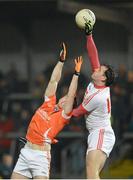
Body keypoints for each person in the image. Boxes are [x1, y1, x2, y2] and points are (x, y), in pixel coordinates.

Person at [11, 43, 83, 179]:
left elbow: (72, 91)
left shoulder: (64, 115)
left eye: (69, 99)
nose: (65, 98)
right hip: (26, 152)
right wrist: (61, 61)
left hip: (40, 156)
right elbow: (53, 81)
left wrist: (76, 74)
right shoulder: (48, 103)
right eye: (65, 96)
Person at [72, 22, 116, 179]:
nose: (96, 68)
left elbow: (76, 112)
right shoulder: (98, 82)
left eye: (99, 70)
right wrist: (89, 34)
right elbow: (93, 54)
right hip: (97, 133)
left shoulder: (99, 97)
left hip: (101, 133)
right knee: (92, 174)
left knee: (91, 173)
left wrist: (56, 110)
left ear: (103, 78)